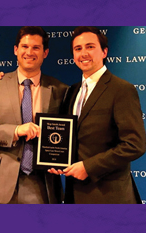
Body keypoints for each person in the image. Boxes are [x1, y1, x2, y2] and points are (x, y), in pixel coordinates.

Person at [48, 26, 146, 204]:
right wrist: (55, 160)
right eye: (78, 49)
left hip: (109, 197)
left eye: (90, 46)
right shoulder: (72, 91)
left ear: (104, 52)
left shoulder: (122, 90)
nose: (83, 53)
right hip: (74, 195)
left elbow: (134, 144)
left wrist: (89, 167)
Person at [0, 26, 68, 204]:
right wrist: (16, 130)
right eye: (25, 46)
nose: (29, 52)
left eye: (36, 48)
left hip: (42, 184)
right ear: (16, 50)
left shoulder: (60, 89)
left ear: (45, 53)